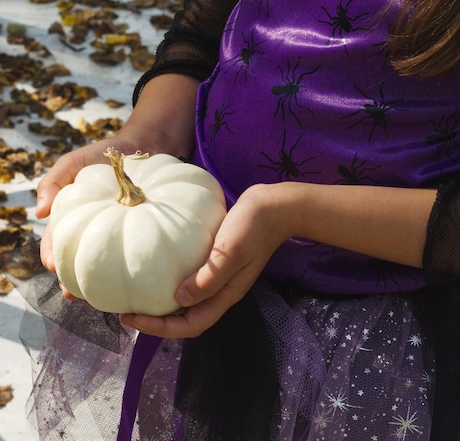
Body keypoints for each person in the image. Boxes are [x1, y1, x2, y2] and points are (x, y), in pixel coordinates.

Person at [23, 0, 460, 439]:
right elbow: (204, 29)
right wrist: (149, 134)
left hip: (373, 330)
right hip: (198, 253)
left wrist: (292, 212)